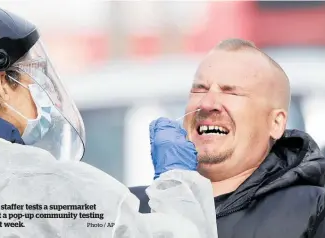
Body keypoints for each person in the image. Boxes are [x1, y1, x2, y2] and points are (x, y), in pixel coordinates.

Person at [0, 3, 219, 238]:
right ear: (2, 82)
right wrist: (179, 181)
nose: (35, 88)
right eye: (27, 74)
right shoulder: (34, 181)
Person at [130, 38, 325, 238]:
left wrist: (176, 206)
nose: (207, 103)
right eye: (200, 89)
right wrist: (170, 194)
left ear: (275, 123)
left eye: (231, 92)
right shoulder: (128, 208)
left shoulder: (313, 210)